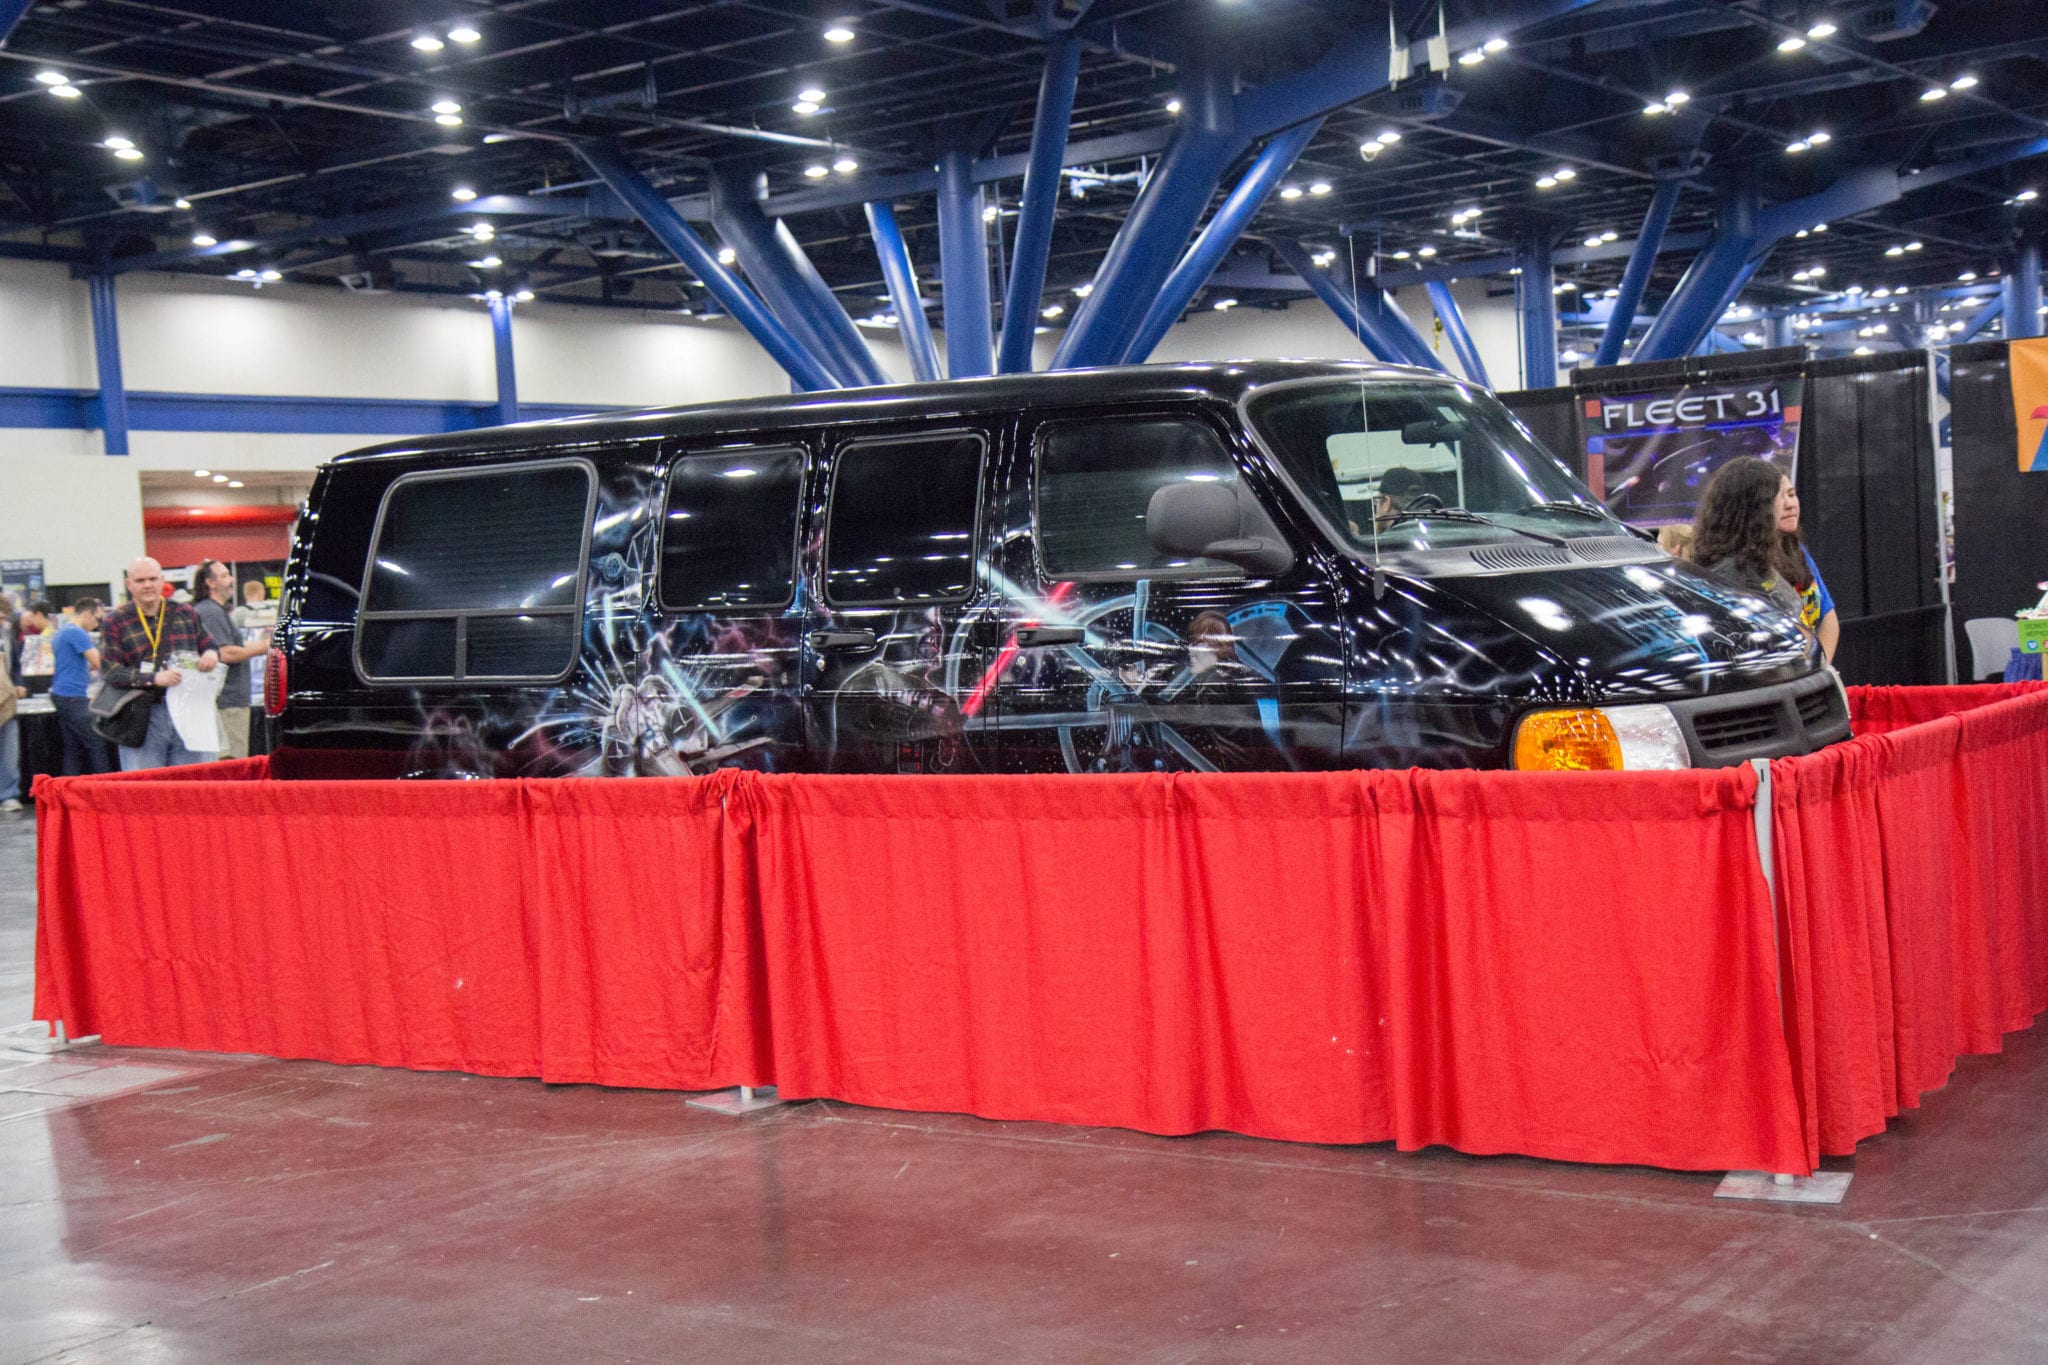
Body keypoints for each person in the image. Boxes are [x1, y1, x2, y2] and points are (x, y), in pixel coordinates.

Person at [99, 556, 221, 771]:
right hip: (142, 716)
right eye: (140, 580)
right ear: (129, 584)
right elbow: (111, 672)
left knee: (193, 781)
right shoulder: (115, 621)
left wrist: (211, 654)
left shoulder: (185, 613)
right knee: (145, 784)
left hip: (189, 712)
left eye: (153, 579)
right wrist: (153, 678)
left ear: (162, 580)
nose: (147, 585)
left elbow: (209, 645)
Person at [1688, 458, 1822, 644]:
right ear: (1754, 506)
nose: (1788, 504)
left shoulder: (1758, 560)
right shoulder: (1729, 573)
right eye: (1777, 497)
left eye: (1791, 495)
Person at [192, 559, 270, 760]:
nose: (232, 580)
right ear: (210, 582)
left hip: (230, 702)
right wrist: (264, 647)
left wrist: (263, 644)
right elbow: (225, 653)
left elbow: (237, 646)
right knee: (232, 761)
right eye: (225, 575)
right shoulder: (211, 612)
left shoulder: (215, 611)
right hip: (227, 704)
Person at [49, 596, 113, 776]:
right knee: (96, 744)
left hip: (62, 693)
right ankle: (105, 786)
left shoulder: (62, 631)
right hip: (73, 696)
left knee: (73, 747)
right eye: (97, 619)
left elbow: (81, 664)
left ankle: (68, 787)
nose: (98, 624)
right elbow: (99, 663)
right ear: (87, 613)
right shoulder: (78, 633)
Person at [0, 594, 21, 813]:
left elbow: (16, 664)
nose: (2, 622)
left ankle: (8, 794)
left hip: (7, 702)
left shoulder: (7, 633)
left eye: (4, 618)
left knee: (9, 752)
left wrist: (19, 683)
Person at [1373, 466, 1429, 531]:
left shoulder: (1387, 538)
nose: (1375, 514)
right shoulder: (1431, 532)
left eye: (1376, 501)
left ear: (1386, 503)